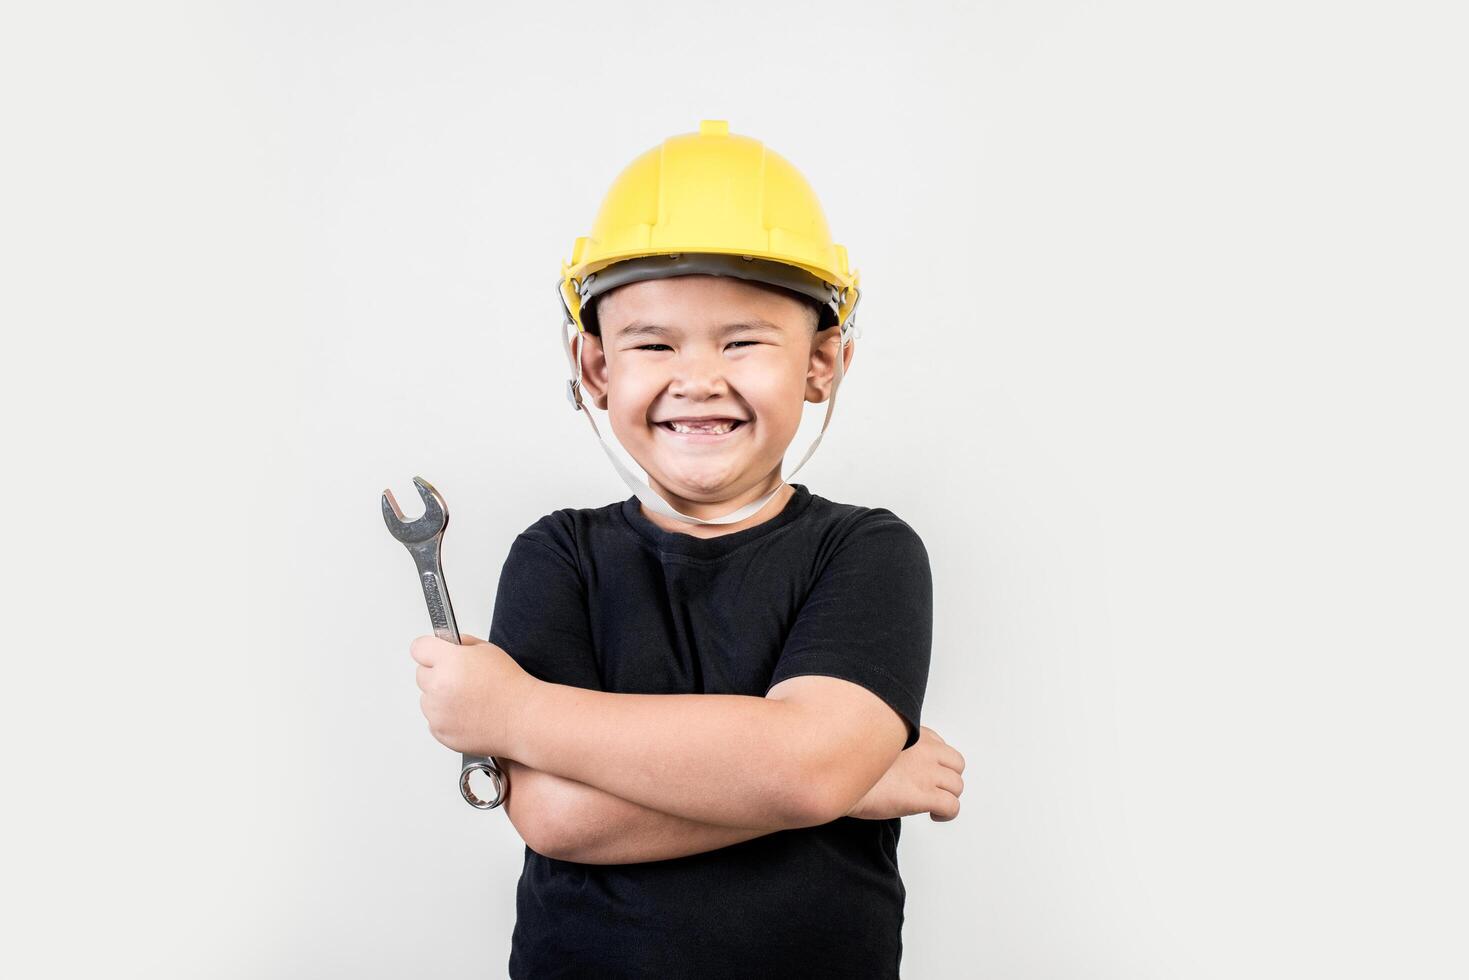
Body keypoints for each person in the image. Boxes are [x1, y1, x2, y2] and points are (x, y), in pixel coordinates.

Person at [409, 120, 966, 978]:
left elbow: (806, 764)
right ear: (595, 368)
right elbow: (557, 815)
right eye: (652, 342)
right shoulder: (558, 555)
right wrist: (861, 785)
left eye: (742, 340)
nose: (697, 377)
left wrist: (513, 713)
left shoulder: (867, 552)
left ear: (823, 361)